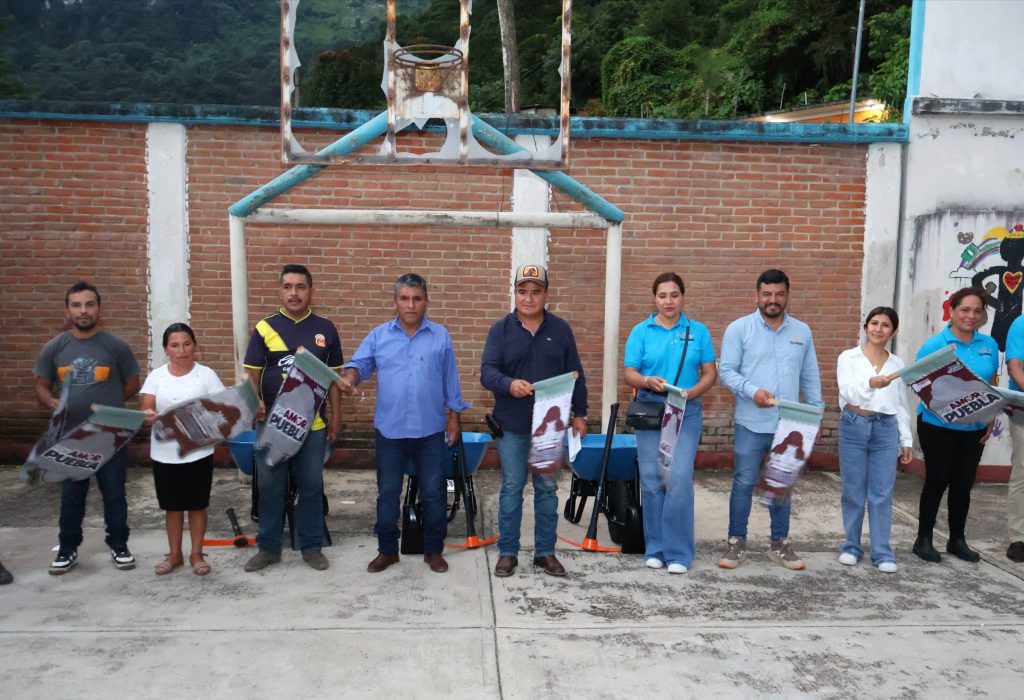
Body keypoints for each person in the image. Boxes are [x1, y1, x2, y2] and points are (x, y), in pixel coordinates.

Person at [340, 273, 469, 574]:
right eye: (404, 299)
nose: (411, 305)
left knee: (434, 493)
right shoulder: (379, 336)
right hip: (391, 431)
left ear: (426, 301)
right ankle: (387, 551)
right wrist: (349, 378)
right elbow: (360, 364)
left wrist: (454, 418)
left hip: (430, 430)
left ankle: (433, 550)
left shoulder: (440, 336)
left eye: (417, 299)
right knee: (387, 493)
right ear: (395, 302)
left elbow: (451, 380)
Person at [481, 264, 588, 578]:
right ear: (514, 293)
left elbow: (576, 374)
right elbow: (487, 372)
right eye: (522, 291)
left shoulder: (561, 330)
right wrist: (508, 384)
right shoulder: (500, 330)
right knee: (512, 488)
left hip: (549, 426)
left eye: (536, 292)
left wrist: (580, 413)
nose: (528, 298)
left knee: (546, 490)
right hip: (511, 425)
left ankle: (545, 553)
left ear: (546, 295)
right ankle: (508, 552)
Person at [718, 269, 823, 570]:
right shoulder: (739, 329)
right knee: (743, 482)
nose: (772, 300)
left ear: (787, 296)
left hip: (790, 425)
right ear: (757, 295)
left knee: (781, 482)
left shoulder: (802, 332)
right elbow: (726, 371)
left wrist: (814, 416)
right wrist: (753, 392)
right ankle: (736, 542)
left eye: (779, 294)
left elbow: (810, 376)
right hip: (751, 422)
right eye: (767, 294)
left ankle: (779, 545)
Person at [35, 281, 141, 575]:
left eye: (89, 304)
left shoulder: (116, 346)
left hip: (111, 434)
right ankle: (67, 550)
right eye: (77, 305)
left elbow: (133, 383)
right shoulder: (54, 348)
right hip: (70, 438)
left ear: (99, 308)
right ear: (67, 310)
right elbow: (42, 385)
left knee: (115, 494)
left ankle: (119, 545)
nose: (83, 310)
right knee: (71, 498)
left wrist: (110, 405)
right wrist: (51, 402)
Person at [242, 264, 343, 572]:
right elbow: (250, 376)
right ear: (280, 291)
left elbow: (334, 380)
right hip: (273, 426)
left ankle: (311, 547)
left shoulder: (326, 329)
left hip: (313, 426)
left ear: (311, 291)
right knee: (270, 489)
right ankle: (269, 548)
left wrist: (336, 418)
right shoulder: (265, 328)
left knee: (311, 488)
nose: (294, 293)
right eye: (288, 287)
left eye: (300, 287)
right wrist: (255, 403)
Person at [623, 272, 717, 574]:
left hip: (685, 411)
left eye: (674, 295)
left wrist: (691, 393)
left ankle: (678, 553)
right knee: (652, 480)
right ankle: (655, 548)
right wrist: (646, 381)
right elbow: (630, 373)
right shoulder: (641, 331)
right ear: (654, 299)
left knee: (677, 478)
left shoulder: (697, 331)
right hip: (651, 410)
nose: (668, 301)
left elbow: (710, 373)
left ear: (683, 298)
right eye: (662, 295)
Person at [913, 287, 997, 564]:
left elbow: (991, 381)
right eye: (965, 310)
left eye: (977, 311)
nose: (971, 316)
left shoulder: (989, 345)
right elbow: (919, 383)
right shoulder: (935, 345)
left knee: (963, 483)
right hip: (937, 425)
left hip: (974, 427)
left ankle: (957, 540)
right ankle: (923, 539)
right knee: (937, 480)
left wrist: (991, 415)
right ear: (952, 310)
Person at [140, 323, 226, 576]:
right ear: (166, 349)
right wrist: (148, 413)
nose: (182, 350)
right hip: (165, 453)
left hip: (198, 451)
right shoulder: (157, 376)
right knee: (173, 506)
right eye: (175, 345)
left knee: (197, 504)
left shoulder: (206, 375)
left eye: (187, 344)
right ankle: (174, 554)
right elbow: (147, 404)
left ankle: (196, 554)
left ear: (195, 346)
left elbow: (222, 407)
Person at [836, 307, 913, 574]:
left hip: (886, 429)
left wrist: (906, 439)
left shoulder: (898, 364)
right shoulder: (848, 357)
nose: (878, 329)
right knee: (853, 490)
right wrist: (871, 383)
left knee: (881, 492)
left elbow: (901, 404)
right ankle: (851, 547)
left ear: (894, 331)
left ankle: (882, 552)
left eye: (885, 325)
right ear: (866, 326)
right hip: (853, 425)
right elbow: (847, 392)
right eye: (874, 323)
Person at [1004, 312, 1024, 563]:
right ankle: (1019, 538)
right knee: (1023, 471)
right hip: (1023, 407)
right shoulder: (1021, 324)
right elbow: (1015, 366)